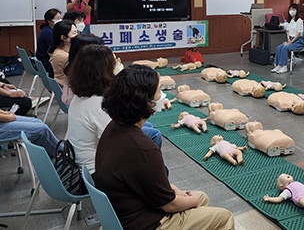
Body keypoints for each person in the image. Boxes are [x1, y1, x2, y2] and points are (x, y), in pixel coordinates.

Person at [95, 65, 234, 229]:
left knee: (201, 197)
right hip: (146, 223)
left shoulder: (114, 127)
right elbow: (170, 205)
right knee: (224, 217)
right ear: (146, 102)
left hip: (124, 211)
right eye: (159, 90)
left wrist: (174, 191)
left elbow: (149, 183)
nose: (162, 96)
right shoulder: (143, 148)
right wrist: (187, 199)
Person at [65, 45, 162, 174]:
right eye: (115, 61)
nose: (119, 63)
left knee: (148, 126)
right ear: (104, 69)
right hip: (93, 170)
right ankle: (151, 173)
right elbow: (120, 141)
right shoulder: (99, 105)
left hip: (79, 158)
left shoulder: (80, 95)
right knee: (153, 135)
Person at [272, 3, 304, 74]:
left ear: (297, 11)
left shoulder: (299, 21)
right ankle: (278, 65)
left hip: (298, 41)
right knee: (279, 47)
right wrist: (288, 39)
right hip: (290, 39)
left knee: (284, 48)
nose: (291, 11)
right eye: (290, 9)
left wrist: (292, 41)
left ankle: (284, 66)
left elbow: (299, 33)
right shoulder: (289, 21)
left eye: (293, 9)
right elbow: (287, 31)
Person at [48, 20, 78, 86]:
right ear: (63, 37)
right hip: (67, 88)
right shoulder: (63, 56)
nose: (77, 36)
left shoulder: (61, 50)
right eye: (74, 33)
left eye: (77, 32)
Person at [36, 8, 62, 77]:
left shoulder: (47, 30)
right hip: (46, 63)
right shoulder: (49, 33)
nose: (60, 20)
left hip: (43, 60)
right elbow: (51, 52)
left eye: (60, 18)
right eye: (57, 18)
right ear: (50, 21)